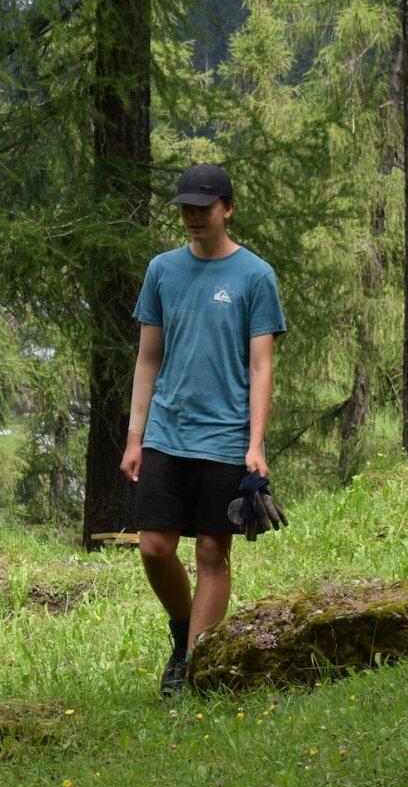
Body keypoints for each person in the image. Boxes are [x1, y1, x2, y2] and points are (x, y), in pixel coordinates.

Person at [122, 163, 286, 697]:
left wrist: (255, 445)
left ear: (227, 209)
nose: (193, 217)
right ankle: (183, 633)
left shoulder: (255, 276)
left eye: (204, 207)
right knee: (154, 546)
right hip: (167, 432)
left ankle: (194, 667)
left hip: (226, 437)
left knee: (212, 553)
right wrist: (135, 437)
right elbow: (148, 358)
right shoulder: (162, 271)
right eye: (186, 209)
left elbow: (261, 365)